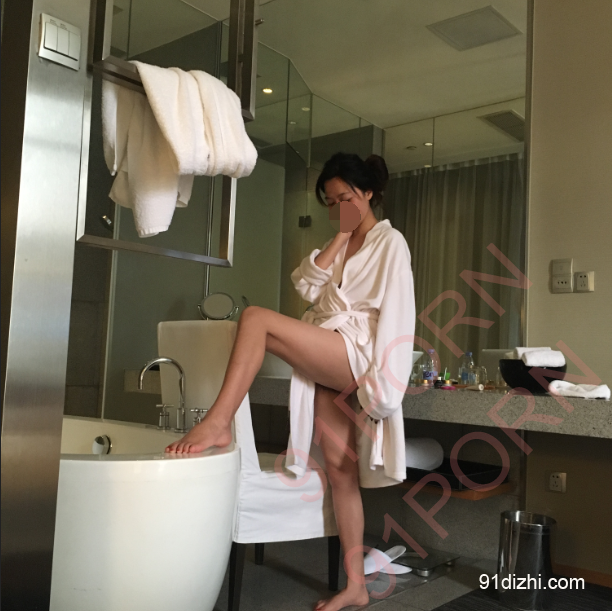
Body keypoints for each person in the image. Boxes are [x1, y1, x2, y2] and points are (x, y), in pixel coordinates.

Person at [166, 152, 416, 611]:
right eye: (331, 201)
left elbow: (400, 316)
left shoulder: (390, 242)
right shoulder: (341, 243)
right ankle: (356, 586)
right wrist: (341, 235)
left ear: (368, 193)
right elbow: (305, 285)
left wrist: (386, 388)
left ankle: (218, 421)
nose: (338, 207)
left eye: (346, 198)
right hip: (329, 349)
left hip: (355, 353)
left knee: (256, 319)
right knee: (341, 471)